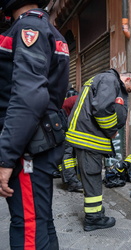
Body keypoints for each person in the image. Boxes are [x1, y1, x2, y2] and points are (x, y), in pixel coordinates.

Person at [0, 0, 70, 249]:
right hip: (37, 139)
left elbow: (29, 96)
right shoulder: (45, 27)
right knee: (40, 220)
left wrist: (5, 158)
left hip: (27, 145)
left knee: (28, 224)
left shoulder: (29, 27)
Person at [66, 69, 131, 231]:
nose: (127, 93)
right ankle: (94, 218)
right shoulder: (110, 80)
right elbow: (103, 109)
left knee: (90, 176)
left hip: (83, 137)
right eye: (129, 90)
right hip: (89, 139)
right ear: (126, 79)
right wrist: (111, 131)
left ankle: (95, 211)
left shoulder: (101, 78)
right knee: (92, 177)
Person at [59, 89, 83, 192]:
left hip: (63, 122)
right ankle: (71, 181)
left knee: (69, 153)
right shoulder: (80, 101)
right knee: (67, 152)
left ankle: (70, 180)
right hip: (63, 123)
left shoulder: (78, 99)